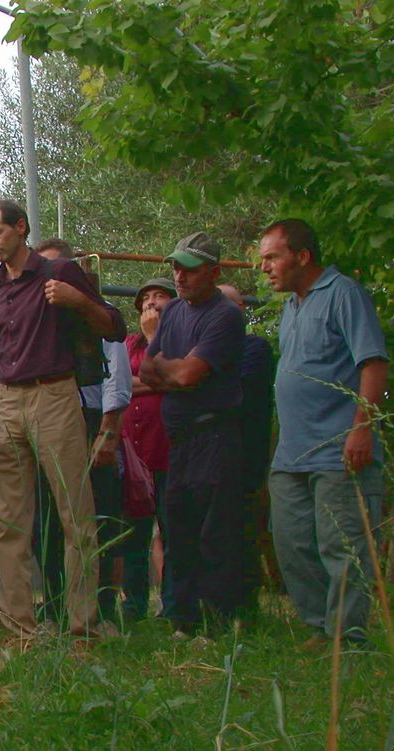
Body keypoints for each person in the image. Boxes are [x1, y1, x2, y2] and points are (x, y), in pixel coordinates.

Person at [0, 201, 126, 639]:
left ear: (21, 228)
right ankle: (19, 624)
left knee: (75, 514)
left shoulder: (61, 273)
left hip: (55, 395)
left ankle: (83, 623)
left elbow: (115, 325)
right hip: (8, 402)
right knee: (9, 520)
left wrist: (77, 300)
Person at [259, 219, 387, 645]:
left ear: (302, 256)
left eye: (272, 257)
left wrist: (362, 429)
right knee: (291, 543)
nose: (264, 268)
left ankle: (346, 638)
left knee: (343, 547)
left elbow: (373, 364)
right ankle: (319, 626)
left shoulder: (345, 295)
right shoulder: (293, 306)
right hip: (292, 453)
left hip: (338, 448)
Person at [139, 232, 245, 636]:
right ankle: (183, 618)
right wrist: (175, 371)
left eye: (189, 269)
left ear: (214, 273)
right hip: (179, 437)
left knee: (213, 532)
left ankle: (219, 620)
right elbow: (150, 370)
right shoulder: (174, 313)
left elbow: (185, 374)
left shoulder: (224, 315)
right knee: (178, 528)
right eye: (176, 268)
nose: (179, 277)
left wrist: (173, 370)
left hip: (215, 435)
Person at [32, 238, 132, 626]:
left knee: (98, 515)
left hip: (90, 422)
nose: (50, 278)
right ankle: (57, 603)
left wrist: (107, 434)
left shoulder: (95, 314)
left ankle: (102, 607)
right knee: (52, 519)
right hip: (49, 420)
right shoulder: (40, 322)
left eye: (58, 270)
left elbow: (117, 377)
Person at [120, 279, 176, 621]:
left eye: (159, 297)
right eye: (145, 299)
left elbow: (173, 377)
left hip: (167, 449)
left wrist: (156, 341)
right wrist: (153, 381)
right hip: (134, 456)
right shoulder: (127, 343)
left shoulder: (180, 343)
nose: (151, 304)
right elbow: (121, 383)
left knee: (172, 532)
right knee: (133, 536)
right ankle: (133, 605)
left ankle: (172, 604)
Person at [219, 283, 277, 603]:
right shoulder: (202, 349)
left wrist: (189, 375)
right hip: (209, 454)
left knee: (245, 529)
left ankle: (245, 604)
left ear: (241, 310)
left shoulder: (254, 348)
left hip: (245, 457)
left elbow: (232, 393)